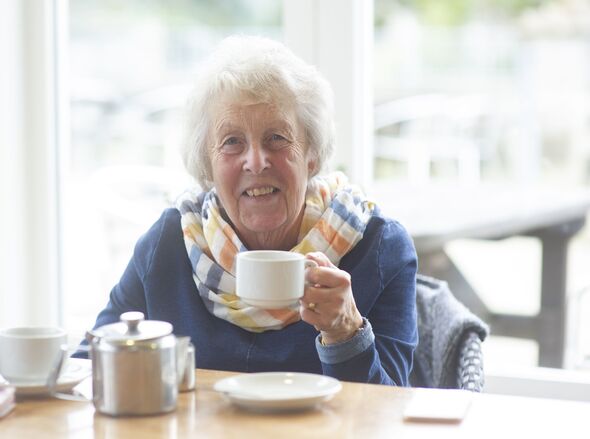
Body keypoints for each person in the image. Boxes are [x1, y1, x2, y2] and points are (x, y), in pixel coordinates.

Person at [86, 35, 417, 385]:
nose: (256, 162)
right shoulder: (171, 242)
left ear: (312, 154)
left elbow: (390, 413)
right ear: (207, 165)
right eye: (232, 141)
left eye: (277, 137)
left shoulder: (378, 247)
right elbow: (90, 366)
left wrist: (346, 332)